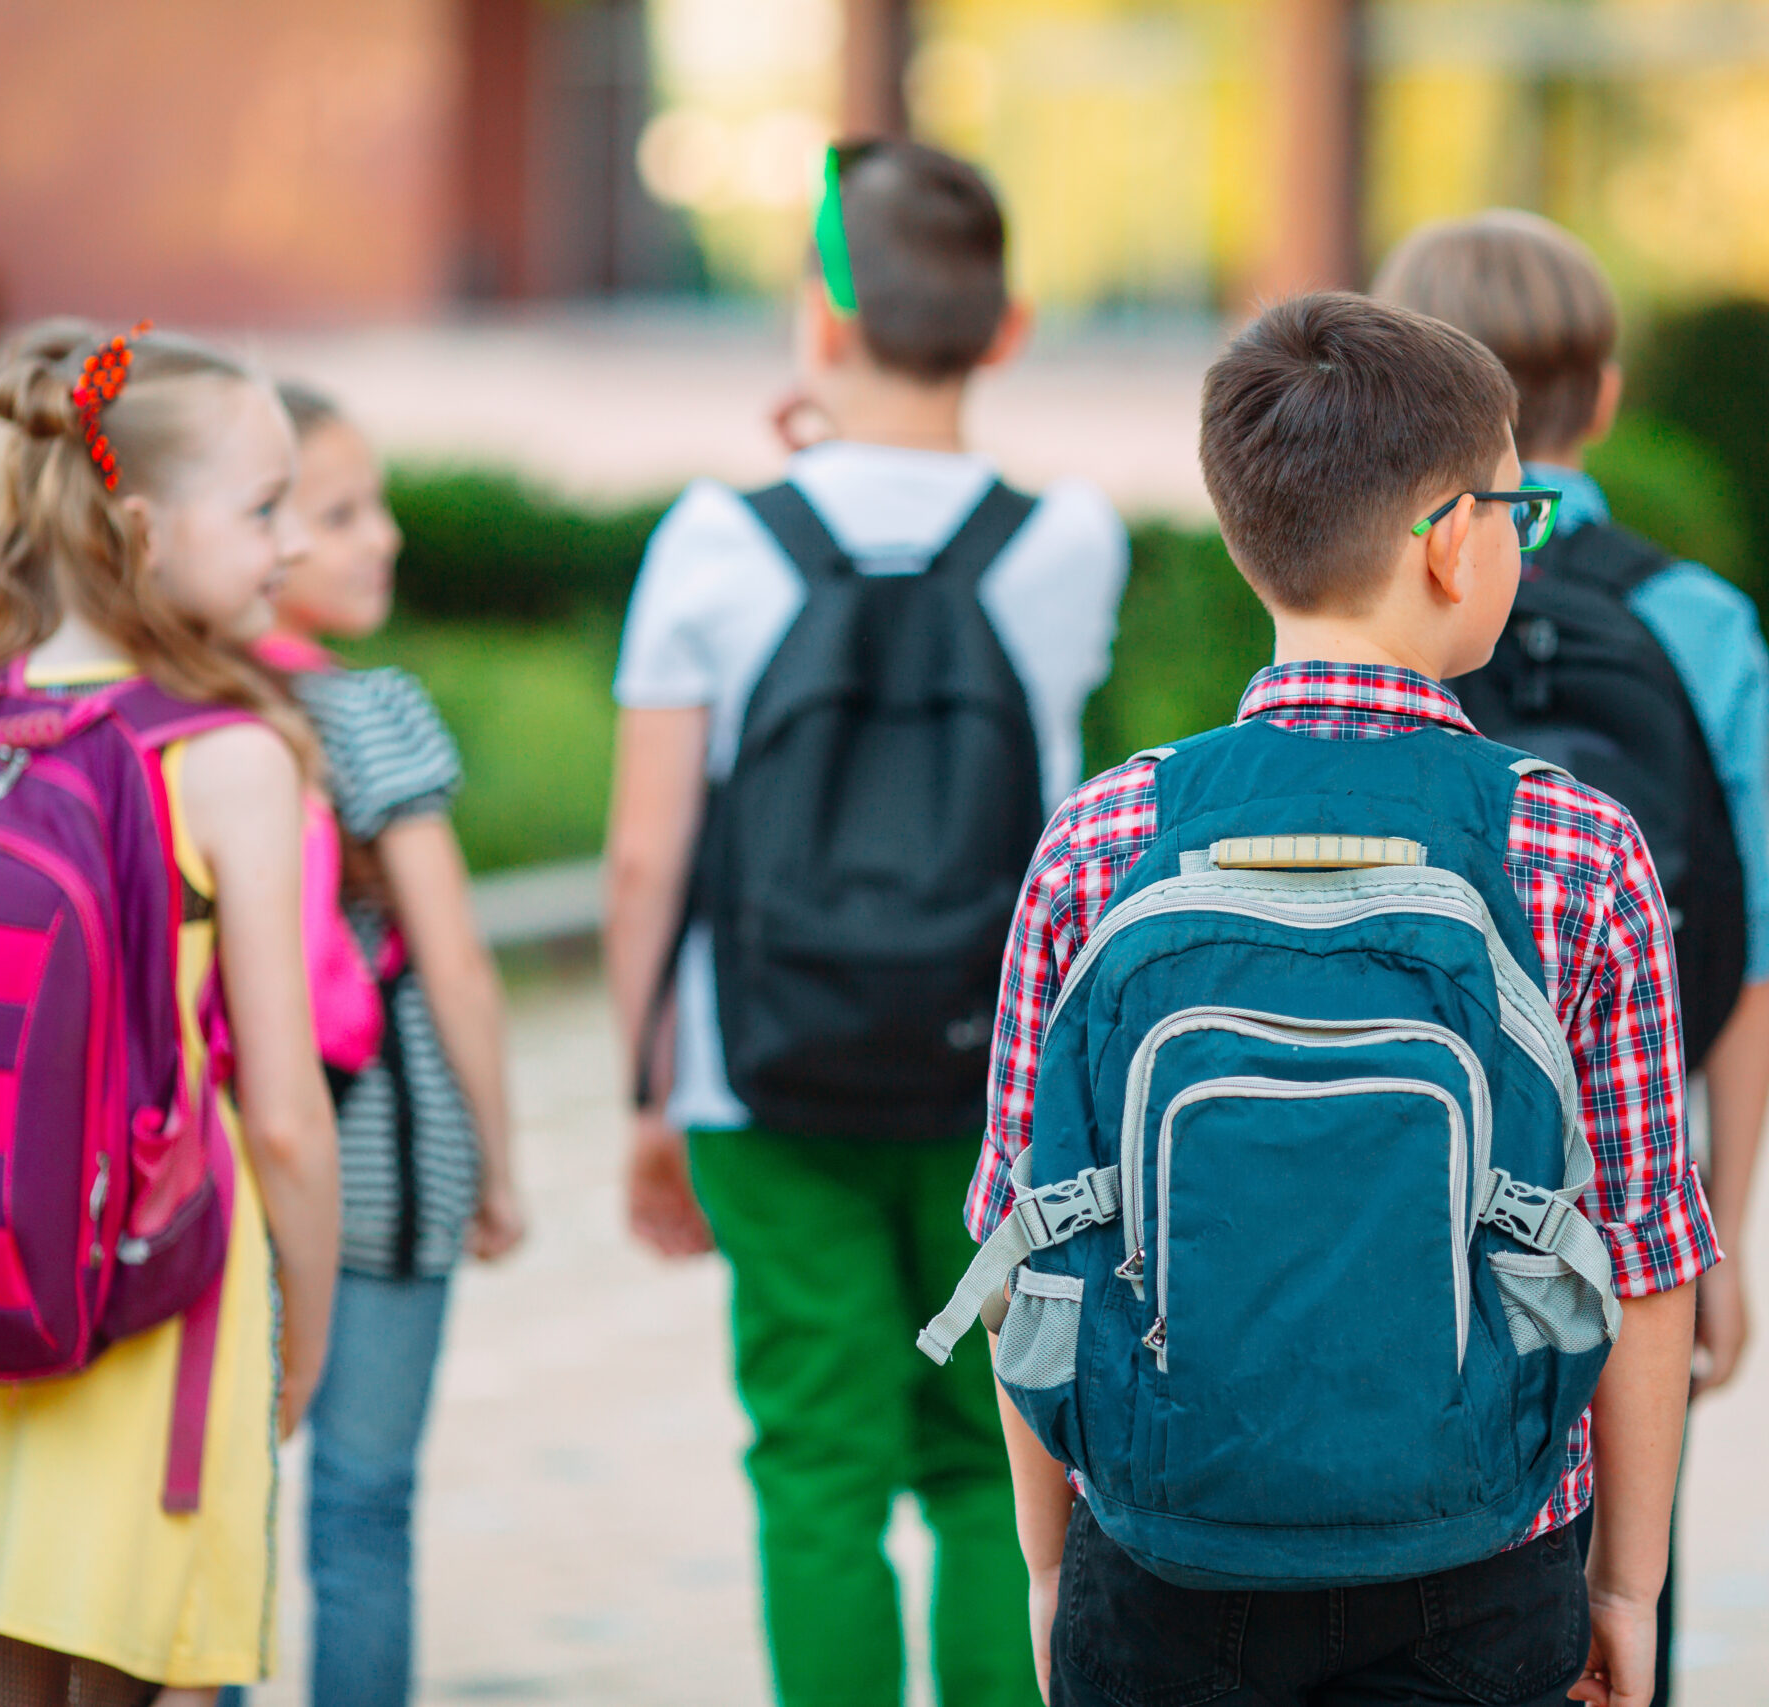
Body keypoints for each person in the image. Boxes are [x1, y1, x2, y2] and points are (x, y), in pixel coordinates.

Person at [962, 291, 1709, 1707]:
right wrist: (1626, 1583)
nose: (1517, 542)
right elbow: (1647, 1263)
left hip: (1164, 1556)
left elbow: (1020, 1243)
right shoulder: (1578, 847)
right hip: (1479, 1566)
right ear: (1448, 543)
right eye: (1514, 512)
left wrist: (1053, 1568)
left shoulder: (1106, 836)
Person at [603, 138, 1127, 1707]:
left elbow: (645, 856)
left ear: (817, 325)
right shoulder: (1069, 538)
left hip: (762, 1067)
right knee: (985, 1458)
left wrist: (647, 1093)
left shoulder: (713, 536)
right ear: (1010, 328)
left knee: (817, 1461)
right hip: (995, 1071)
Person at [1374, 213, 1769, 1705]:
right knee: (1614, 1592)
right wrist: (1715, 1236)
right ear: (1605, 397)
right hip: (1617, 1201)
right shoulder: (1696, 619)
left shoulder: (1388, 580)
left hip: (1384, 1163)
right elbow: (1745, 951)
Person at [0, 321, 341, 1702]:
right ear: (138, 528)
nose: (291, 546)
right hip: (162, 1290)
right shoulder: (230, 757)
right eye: (262, 510)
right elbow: (287, 1120)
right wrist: (300, 1342)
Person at [253, 381, 524, 1707]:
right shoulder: (370, 712)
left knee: (218, 1516)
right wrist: (504, 1163)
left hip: (213, 1168)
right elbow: (457, 965)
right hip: (385, 1155)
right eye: (339, 512)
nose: (387, 537)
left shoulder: (169, 708)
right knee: (363, 1510)